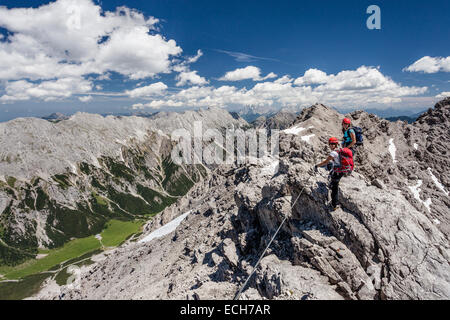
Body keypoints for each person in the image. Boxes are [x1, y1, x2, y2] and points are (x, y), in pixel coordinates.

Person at [314, 137, 345, 211]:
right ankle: (333, 182)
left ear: (336, 144)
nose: (331, 145)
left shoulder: (333, 153)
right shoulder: (340, 150)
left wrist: (317, 165)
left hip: (338, 172)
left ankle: (335, 205)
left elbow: (325, 162)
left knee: (334, 188)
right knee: (330, 166)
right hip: (341, 170)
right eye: (331, 144)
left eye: (333, 144)